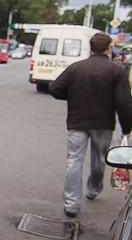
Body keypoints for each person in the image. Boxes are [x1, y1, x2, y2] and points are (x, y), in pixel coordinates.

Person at [49, 32, 132, 218]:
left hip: (77, 121)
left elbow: (55, 88)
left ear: (90, 48)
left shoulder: (76, 68)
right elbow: (124, 102)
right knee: (100, 159)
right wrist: (127, 127)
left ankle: (71, 204)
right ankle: (94, 189)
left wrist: (73, 96)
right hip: (103, 123)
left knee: (74, 161)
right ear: (108, 48)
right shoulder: (116, 71)